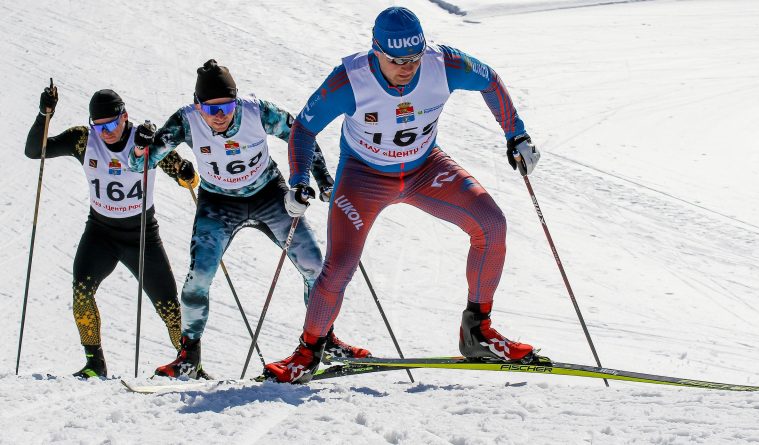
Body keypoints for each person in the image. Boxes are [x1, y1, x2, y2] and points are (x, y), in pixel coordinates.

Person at [263, 7, 544, 383]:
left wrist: (516, 133)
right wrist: (299, 180)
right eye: (396, 60)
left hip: (426, 169)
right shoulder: (350, 80)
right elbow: (303, 128)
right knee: (340, 266)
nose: (407, 68)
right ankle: (309, 351)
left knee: (492, 225)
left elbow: (489, 79)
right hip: (364, 178)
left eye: (414, 58)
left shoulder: (443, 64)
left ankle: (477, 331)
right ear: (375, 50)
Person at [130, 59, 370, 379]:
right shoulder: (185, 121)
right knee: (199, 277)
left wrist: (324, 179)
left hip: (268, 194)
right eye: (211, 108)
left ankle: (324, 341)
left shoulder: (257, 111)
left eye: (227, 106)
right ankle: (188, 357)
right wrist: (140, 147)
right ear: (197, 104)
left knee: (315, 266)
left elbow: (300, 134)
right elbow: (140, 166)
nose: (220, 115)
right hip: (218, 203)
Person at [24, 86, 197, 378]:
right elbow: (34, 151)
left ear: (124, 117)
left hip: (141, 236)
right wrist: (45, 114)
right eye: (99, 126)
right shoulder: (83, 139)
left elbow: (188, 180)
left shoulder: (146, 140)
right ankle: (95, 364)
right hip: (101, 233)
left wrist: (185, 173)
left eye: (111, 124)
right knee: (82, 292)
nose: (105, 132)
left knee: (169, 307)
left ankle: (191, 364)